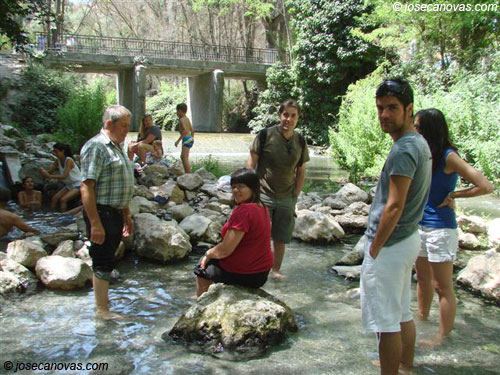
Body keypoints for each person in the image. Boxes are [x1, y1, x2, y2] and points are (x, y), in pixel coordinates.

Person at [360, 79, 432, 375]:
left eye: (392, 108)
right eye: (380, 108)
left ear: (409, 109)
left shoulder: (404, 149)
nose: (384, 115)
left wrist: (374, 248)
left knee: (386, 322)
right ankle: (405, 367)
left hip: (390, 244)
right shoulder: (419, 142)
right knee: (402, 312)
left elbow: (394, 205)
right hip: (407, 239)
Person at [414, 108, 493, 345]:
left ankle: (442, 337)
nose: (414, 129)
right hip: (419, 226)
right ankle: (422, 319)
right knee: (422, 279)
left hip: (440, 229)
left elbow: (485, 186)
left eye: (418, 126)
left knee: (442, 286)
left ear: (430, 130)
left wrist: (454, 195)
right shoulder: (423, 153)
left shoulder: (449, 156)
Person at [80, 105, 135, 321]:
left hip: (115, 212)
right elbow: (86, 186)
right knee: (102, 260)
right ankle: (101, 310)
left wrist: (127, 214)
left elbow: (120, 184)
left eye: (128, 127)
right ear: (109, 124)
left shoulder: (117, 146)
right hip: (101, 212)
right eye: (123, 126)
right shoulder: (97, 147)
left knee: (108, 258)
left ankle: (104, 302)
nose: (126, 131)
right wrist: (94, 222)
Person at [246, 98, 310, 279]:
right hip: (263, 194)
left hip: (286, 196)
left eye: (293, 116)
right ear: (279, 115)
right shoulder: (265, 135)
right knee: (259, 235)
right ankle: (255, 269)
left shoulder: (300, 141)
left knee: (281, 238)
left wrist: (295, 194)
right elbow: (250, 165)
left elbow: (302, 170)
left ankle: (275, 271)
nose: (288, 119)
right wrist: (249, 193)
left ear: (298, 118)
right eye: (285, 115)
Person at [194, 168, 273, 297]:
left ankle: (201, 302)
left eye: (241, 186)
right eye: (234, 187)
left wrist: (208, 255)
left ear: (253, 188)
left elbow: (225, 250)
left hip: (248, 273)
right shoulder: (261, 206)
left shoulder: (244, 211)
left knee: (201, 266)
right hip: (262, 271)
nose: (236, 190)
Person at [40, 143, 82, 212]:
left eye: (56, 152)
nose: (55, 154)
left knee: (63, 200)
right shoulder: (57, 161)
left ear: (62, 151)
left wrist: (49, 176)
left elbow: (64, 176)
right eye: (54, 152)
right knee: (54, 198)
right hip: (69, 185)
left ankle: (63, 217)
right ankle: (52, 214)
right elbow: (50, 171)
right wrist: (44, 172)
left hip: (78, 184)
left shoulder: (69, 160)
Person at [174, 103, 194, 173]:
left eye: (177, 111)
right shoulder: (187, 119)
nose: (176, 113)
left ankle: (188, 174)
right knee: (183, 157)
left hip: (186, 138)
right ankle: (187, 172)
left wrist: (178, 141)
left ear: (180, 111)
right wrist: (192, 138)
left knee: (184, 158)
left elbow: (185, 131)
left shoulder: (182, 120)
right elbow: (192, 130)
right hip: (190, 138)